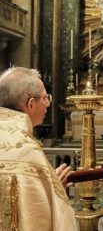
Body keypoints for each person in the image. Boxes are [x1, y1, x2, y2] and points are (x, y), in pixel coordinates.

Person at [0, 67, 77, 230]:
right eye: (45, 97)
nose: (48, 103)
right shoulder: (28, 152)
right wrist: (54, 188)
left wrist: (49, 183)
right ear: (31, 104)